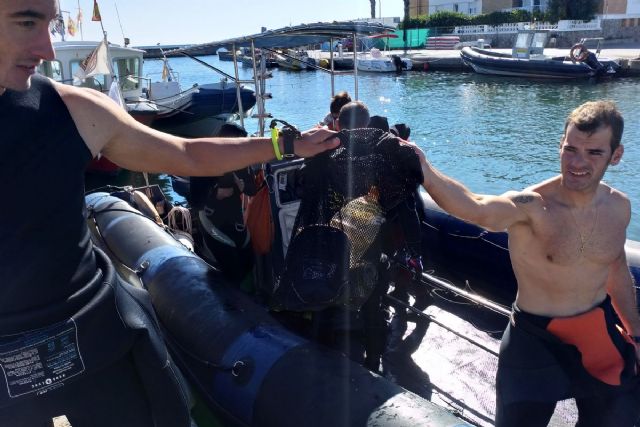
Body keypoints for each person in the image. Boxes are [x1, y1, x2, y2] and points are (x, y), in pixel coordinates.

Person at [0, 2, 338, 426]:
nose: (48, 49)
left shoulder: (72, 110)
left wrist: (283, 146)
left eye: (49, 24)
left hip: (101, 336)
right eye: (28, 21)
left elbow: (184, 153)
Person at [410, 100, 640, 426]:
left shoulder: (618, 206)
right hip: (534, 343)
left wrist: (636, 332)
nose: (577, 163)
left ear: (615, 155)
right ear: (560, 145)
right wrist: (424, 169)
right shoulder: (533, 206)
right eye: (570, 149)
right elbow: (477, 207)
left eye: (594, 153)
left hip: (596, 334)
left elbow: (616, 268)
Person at [189, 123, 258, 285]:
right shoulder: (204, 161)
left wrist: (242, 185)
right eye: (236, 145)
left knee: (248, 262)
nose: (239, 150)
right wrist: (216, 193)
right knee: (231, 268)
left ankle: (250, 300)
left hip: (236, 220)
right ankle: (230, 302)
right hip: (212, 220)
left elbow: (251, 190)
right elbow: (195, 200)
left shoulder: (241, 161)